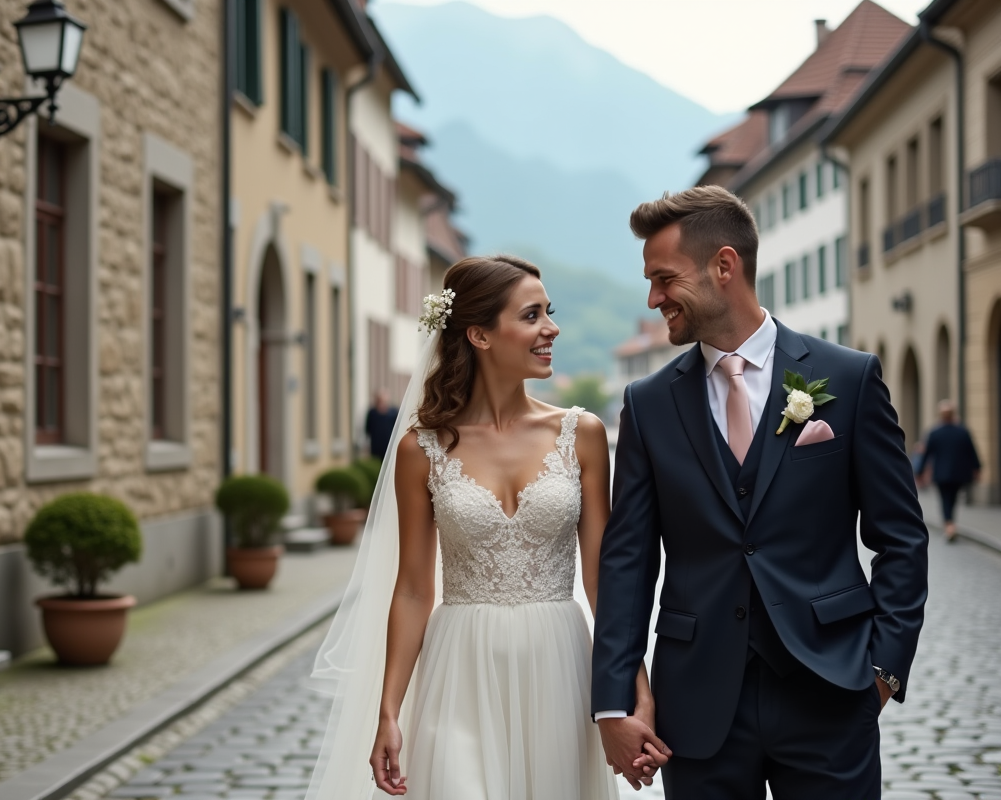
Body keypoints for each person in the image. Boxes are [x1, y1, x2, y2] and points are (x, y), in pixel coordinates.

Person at [592, 186, 929, 799]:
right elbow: (627, 561)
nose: (653, 298)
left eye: (665, 278)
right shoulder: (648, 405)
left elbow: (900, 537)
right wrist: (614, 698)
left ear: (725, 265)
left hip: (831, 689)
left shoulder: (847, 380)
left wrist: (883, 669)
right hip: (696, 706)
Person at [305, 255, 665, 800]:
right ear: (479, 334)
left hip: (560, 665)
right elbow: (412, 588)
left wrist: (634, 689)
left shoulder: (582, 434)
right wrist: (388, 711)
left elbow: (601, 580)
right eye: (532, 315)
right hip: (460, 669)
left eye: (550, 312)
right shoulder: (420, 450)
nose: (552, 328)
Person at [917, 400, 981, 542]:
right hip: (959, 473)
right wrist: (977, 468)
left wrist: (919, 472)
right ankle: (950, 523)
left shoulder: (935, 432)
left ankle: (949, 525)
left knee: (945, 499)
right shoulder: (962, 431)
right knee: (953, 498)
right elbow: (972, 452)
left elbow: (926, 454)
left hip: (941, 473)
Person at [365, 389, 399, 460]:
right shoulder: (372, 413)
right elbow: (368, 429)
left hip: (390, 446)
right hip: (376, 447)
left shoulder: (393, 413)